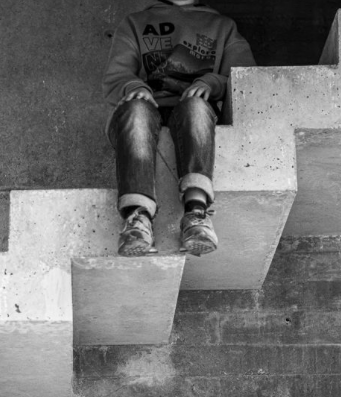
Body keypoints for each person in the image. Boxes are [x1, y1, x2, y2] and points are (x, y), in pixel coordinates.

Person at [103, 0, 256, 257]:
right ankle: (137, 219)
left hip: (193, 109)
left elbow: (246, 77)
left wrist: (212, 82)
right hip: (146, 107)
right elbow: (115, 77)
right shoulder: (135, 23)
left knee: (195, 106)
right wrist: (134, 87)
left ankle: (196, 213)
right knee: (137, 111)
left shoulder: (222, 26)